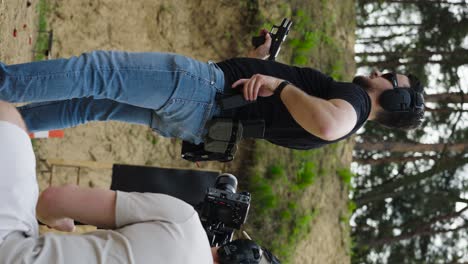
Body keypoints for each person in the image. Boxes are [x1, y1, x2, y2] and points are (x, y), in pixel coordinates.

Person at [0, 31, 424, 150]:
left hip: (204, 93)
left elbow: (329, 123)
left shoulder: (350, 105)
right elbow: (273, 107)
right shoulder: (342, 101)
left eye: (392, 78)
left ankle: (5, 85)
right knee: (90, 105)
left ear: (394, 99)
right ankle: (10, 129)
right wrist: (262, 60)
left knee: (98, 72)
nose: (382, 72)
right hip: (206, 117)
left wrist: (275, 81)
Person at [0, 100, 281, 264]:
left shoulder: (184, 222)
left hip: (13, 253)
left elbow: (54, 200)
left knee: (8, 117)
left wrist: (54, 219)